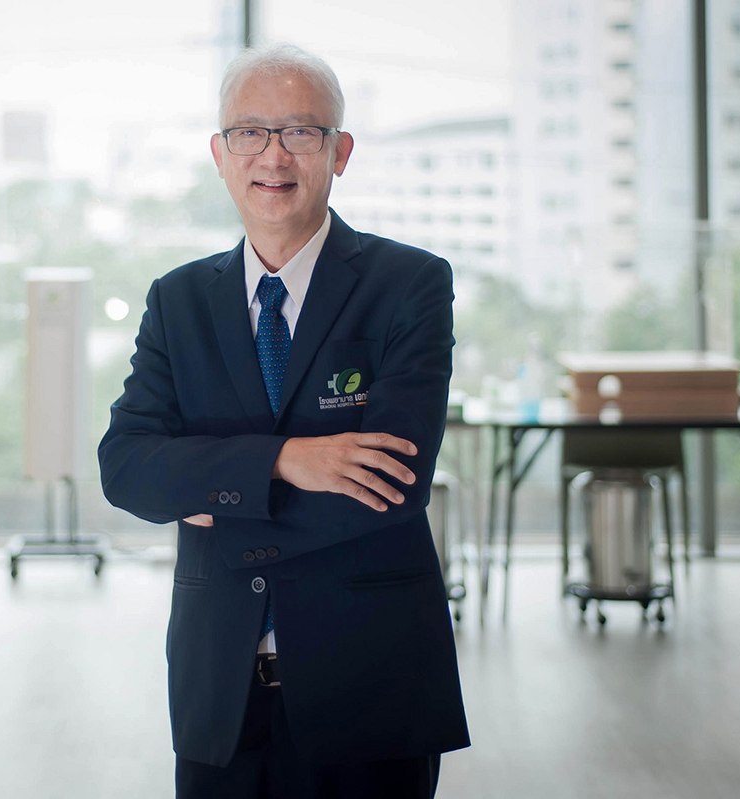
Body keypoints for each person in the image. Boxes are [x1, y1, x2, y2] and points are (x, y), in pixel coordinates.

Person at [99, 43, 469, 799]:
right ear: (219, 154)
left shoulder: (409, 285)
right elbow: (126, 466)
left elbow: (392, 484)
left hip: (370, 681)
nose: (273, 155)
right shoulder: (178, 300)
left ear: (340, 152)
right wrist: (284, 461)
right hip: (219, 690)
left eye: (300, 132)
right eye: (250, 132)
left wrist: (211, 489)